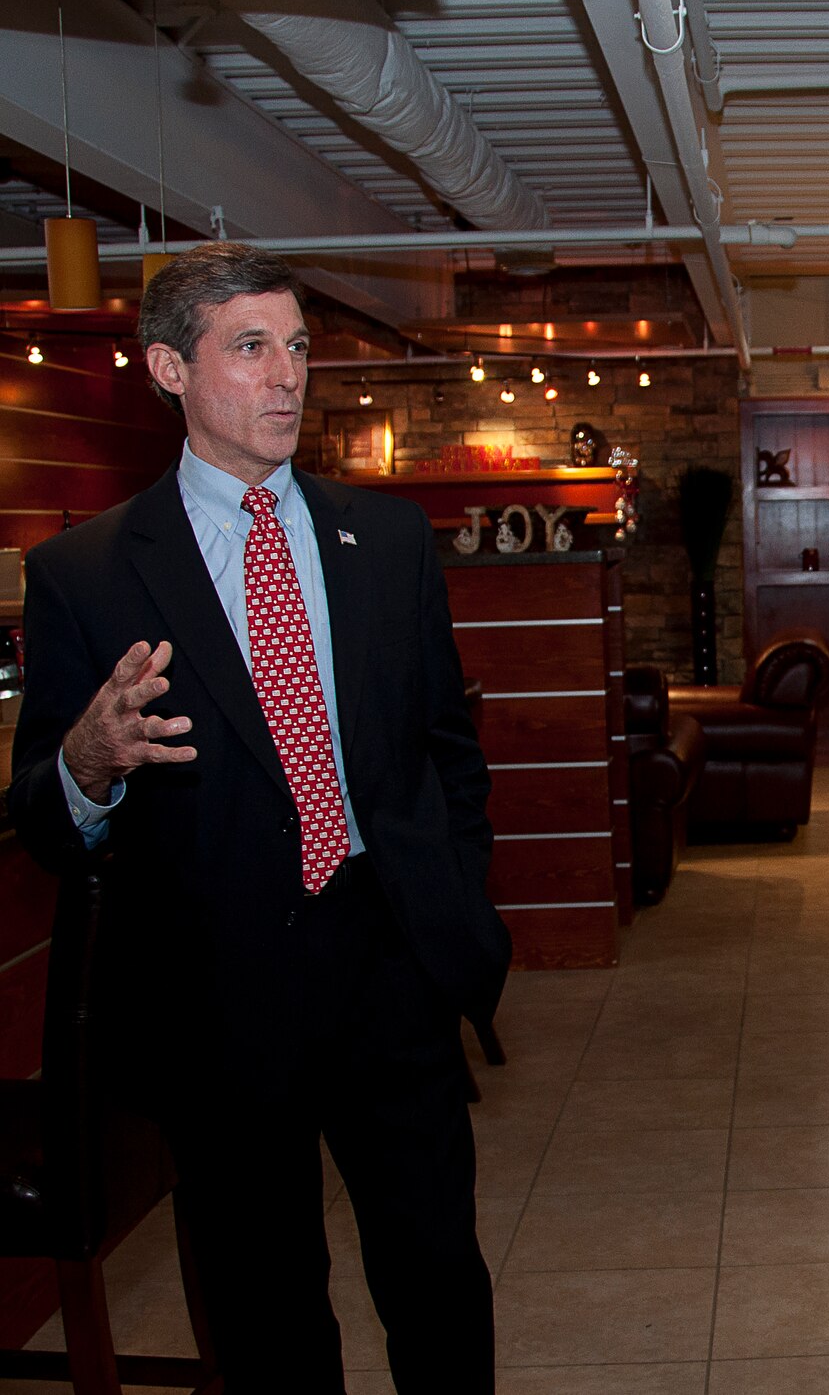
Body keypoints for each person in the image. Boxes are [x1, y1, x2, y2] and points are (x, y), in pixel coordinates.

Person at [7, 242, 510, 1393]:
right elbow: (43, 819)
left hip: (390, 962)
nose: (287, 375)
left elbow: (446, 752)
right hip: (217, 992)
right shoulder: (85, 573)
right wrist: (87, 763)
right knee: (266, 1303)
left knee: (436, 1274)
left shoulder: (386, 541)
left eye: (296, 347)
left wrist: (456, 910)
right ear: (169, 369)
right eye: (250, 347)